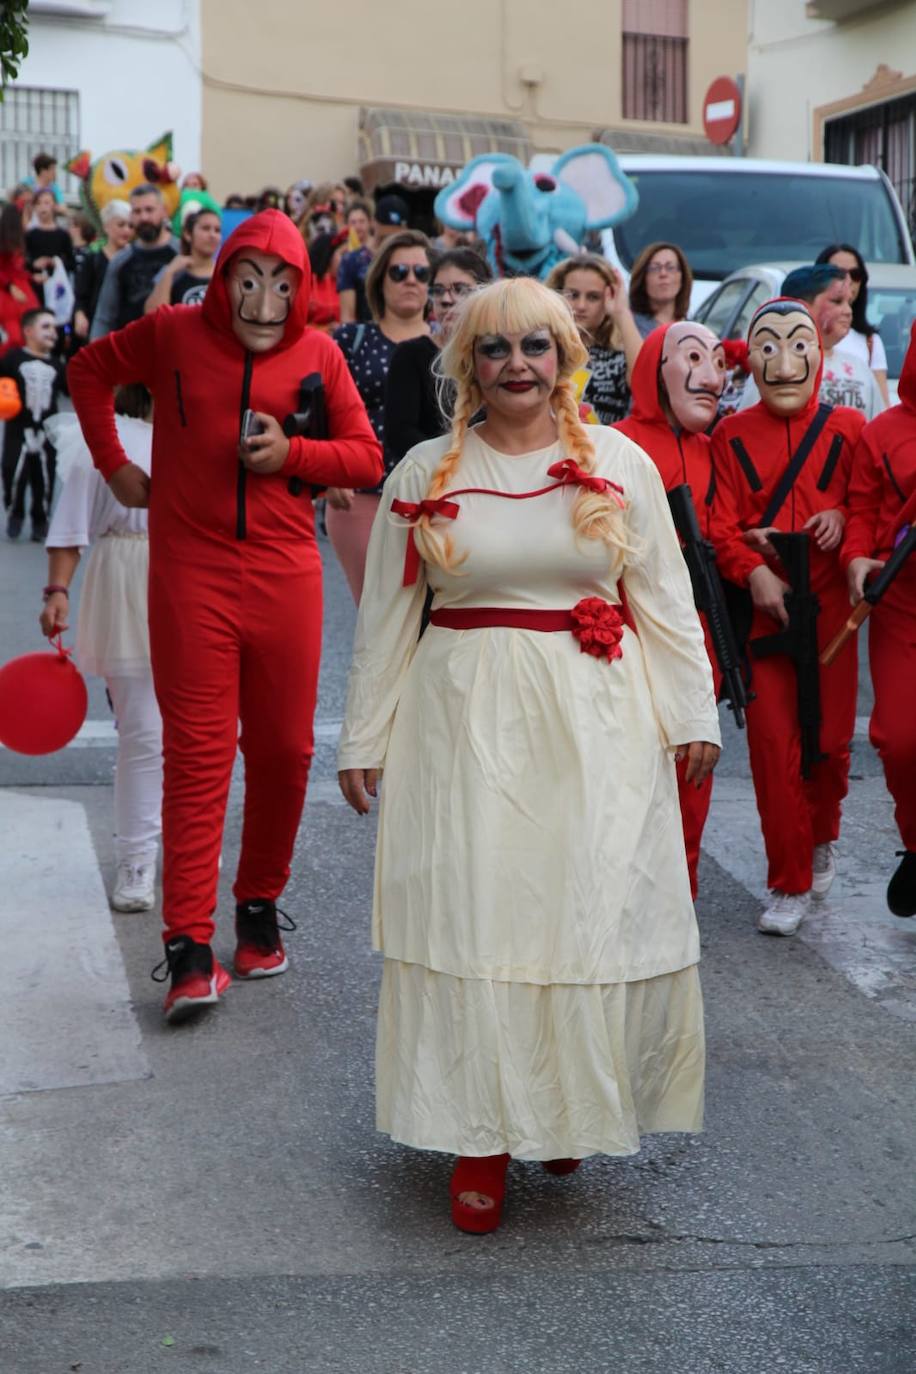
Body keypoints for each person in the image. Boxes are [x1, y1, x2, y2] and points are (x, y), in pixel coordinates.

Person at [337, 277, 720, 1234]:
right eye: (497, 348)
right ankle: (480, 1135)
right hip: (460, 718)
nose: (518, 365)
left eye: (536, 348)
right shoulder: (424, 471)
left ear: (565, 359)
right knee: (478, 916)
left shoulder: (621, 464)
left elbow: (666, 600)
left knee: (578, 910)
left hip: (596, 719)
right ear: (468, 364)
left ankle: (562, 1105)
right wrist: (364, 736)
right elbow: (386, 615)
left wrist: (692, 716)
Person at [68, 209, 382, 1024]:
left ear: (302, 289)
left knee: (284, 751)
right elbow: (90, 370)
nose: (264, 301)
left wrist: (293, 456)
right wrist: (116, 465)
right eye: (249, 281)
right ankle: (186, 947)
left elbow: (365, 456)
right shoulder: (172, 332)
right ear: (224, 278)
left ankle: (256, 909)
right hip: (190, 574)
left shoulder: (320, 352)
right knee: (198, 755)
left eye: (282, 285)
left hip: (284, 576)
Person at [710, 297, 865, 937]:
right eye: (767, 345)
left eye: (798, 343)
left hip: (831, 612)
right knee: (775, 747)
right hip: (769, 615)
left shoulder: (850, 430)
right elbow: (718, 527)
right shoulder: (730, 435)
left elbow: (871, 507)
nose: (783, 360)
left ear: (819, 352)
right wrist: (754, 566)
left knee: (827, 745)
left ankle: (821, 832)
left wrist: (843, 521)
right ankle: (788, 878)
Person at [615, 321, 727, 898]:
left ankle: (678, 894)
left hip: (696, 632)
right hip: (623, 629)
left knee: (692, 764)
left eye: (715, 360)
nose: (710, 374)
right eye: (692, 357)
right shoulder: (616, 444)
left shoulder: (716, 452)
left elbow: (726, 530)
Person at [40, 386, 162, 912]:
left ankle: (188, 847)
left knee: (209, 731)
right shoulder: (107, 438)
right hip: (131, 575)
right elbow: (70, 525)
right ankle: (137, 857)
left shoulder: (212, 431)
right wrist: (57, 590)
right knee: (144, 730)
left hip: (205, 576)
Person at [840, 321, 916, 918]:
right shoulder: (884, 430)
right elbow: (863, 507)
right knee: (898, 737)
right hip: (902, 598)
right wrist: (857, 556)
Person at [327, 229, 432, 602]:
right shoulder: (351, 340)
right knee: (374, 614)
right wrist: (329, 472)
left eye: (421, 273)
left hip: (433, 493)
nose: (410, 280)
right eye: (399, 271)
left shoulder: (447, 344)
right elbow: (325, 409)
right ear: (379, 279)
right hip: (362, 494)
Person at [384, 247, 492, 464]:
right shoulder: (410, 354)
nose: (446, 299)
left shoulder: (497, 354)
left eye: (460, 289)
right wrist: (451, 465)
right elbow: (399, 433)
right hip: (430, 479)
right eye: (438, 290)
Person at [739, 266, 884, 421]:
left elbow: (876, 431)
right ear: (802, 307)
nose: (848, 311)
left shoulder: (859, 368)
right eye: (837, 301)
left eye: (849, 302)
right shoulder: (776, 369)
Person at [546, 253, 643, 424]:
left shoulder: (619, 357)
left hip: (604, 449)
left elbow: (646, 382)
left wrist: (622, 312)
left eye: (593, 297)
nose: (581, 306)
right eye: (573, 295)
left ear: (608, 299)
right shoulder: (541, 351)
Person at [1, 308, 66, 541]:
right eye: (46, 327)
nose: (53, 332)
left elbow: (70, 391)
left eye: (54, 327)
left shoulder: (58, 366)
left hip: (47, 430)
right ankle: (14, 512)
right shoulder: (13, 358)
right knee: (11, 470)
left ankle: (41, 518)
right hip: (18, 428)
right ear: (28, 331)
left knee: (44, 477)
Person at [89, 184, 178, 340]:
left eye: (149, 210)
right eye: (137, 211)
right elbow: (104, 317)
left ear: (164, 211)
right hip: (132, 354)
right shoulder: (120, 261)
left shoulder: (182, 254)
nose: (144, 217)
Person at [815, 244, 889, 406]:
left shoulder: (870, 342)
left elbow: (881, 406)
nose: (847, 281)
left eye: (855, 274)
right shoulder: (802, 335)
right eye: (837, 273)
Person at [72, 200, 134, 342]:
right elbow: (81, 294)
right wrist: (79, 314)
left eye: (130, 226)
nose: (126, 230)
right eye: (121, 225)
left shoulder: (135, 259)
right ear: (107, 227)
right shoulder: (93, 259)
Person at [144, 209, 222, 310]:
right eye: (205, 228)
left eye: (217, 230)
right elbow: (152, 314)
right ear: (188, 234)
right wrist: (169, 273)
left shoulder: (225, 273)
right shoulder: (173, 271)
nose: (212, 235)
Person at [628, 242, 693, 340]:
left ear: (682, 277)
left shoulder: (693, 329)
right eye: (654, 268)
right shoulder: (630, 325)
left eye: (670, 268)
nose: (663, 273)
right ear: (643, 278)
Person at [0, 202, 40, 358]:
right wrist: (10, 287)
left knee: (26, 335)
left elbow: (16, 270)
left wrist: (32, 277)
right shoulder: (5, 242)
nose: (29, 221)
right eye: (27, 216)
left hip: (20, 291)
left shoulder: (17, 241)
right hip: (8, 294)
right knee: (14, 337)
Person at [25, 188, 75, 298]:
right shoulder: (29, 235)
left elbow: (71, 262)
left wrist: (55, 263)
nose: (42, 207)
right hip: (35, 286)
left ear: (54, 206)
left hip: (57, 288)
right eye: (38, 203)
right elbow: (22, 261)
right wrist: (34, 263)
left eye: (47, 203)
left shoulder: (63, 235)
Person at [337, 199, 375, 324]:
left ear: (370, 222)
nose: (357, 226)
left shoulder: (378, 250)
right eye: (353, 222)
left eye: (361, 221)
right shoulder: (343, 254)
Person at [306, 229, 347, 332]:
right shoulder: (306, 282)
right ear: (328, 254)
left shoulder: (347, 283)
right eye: (343, 254)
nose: (348, 259)